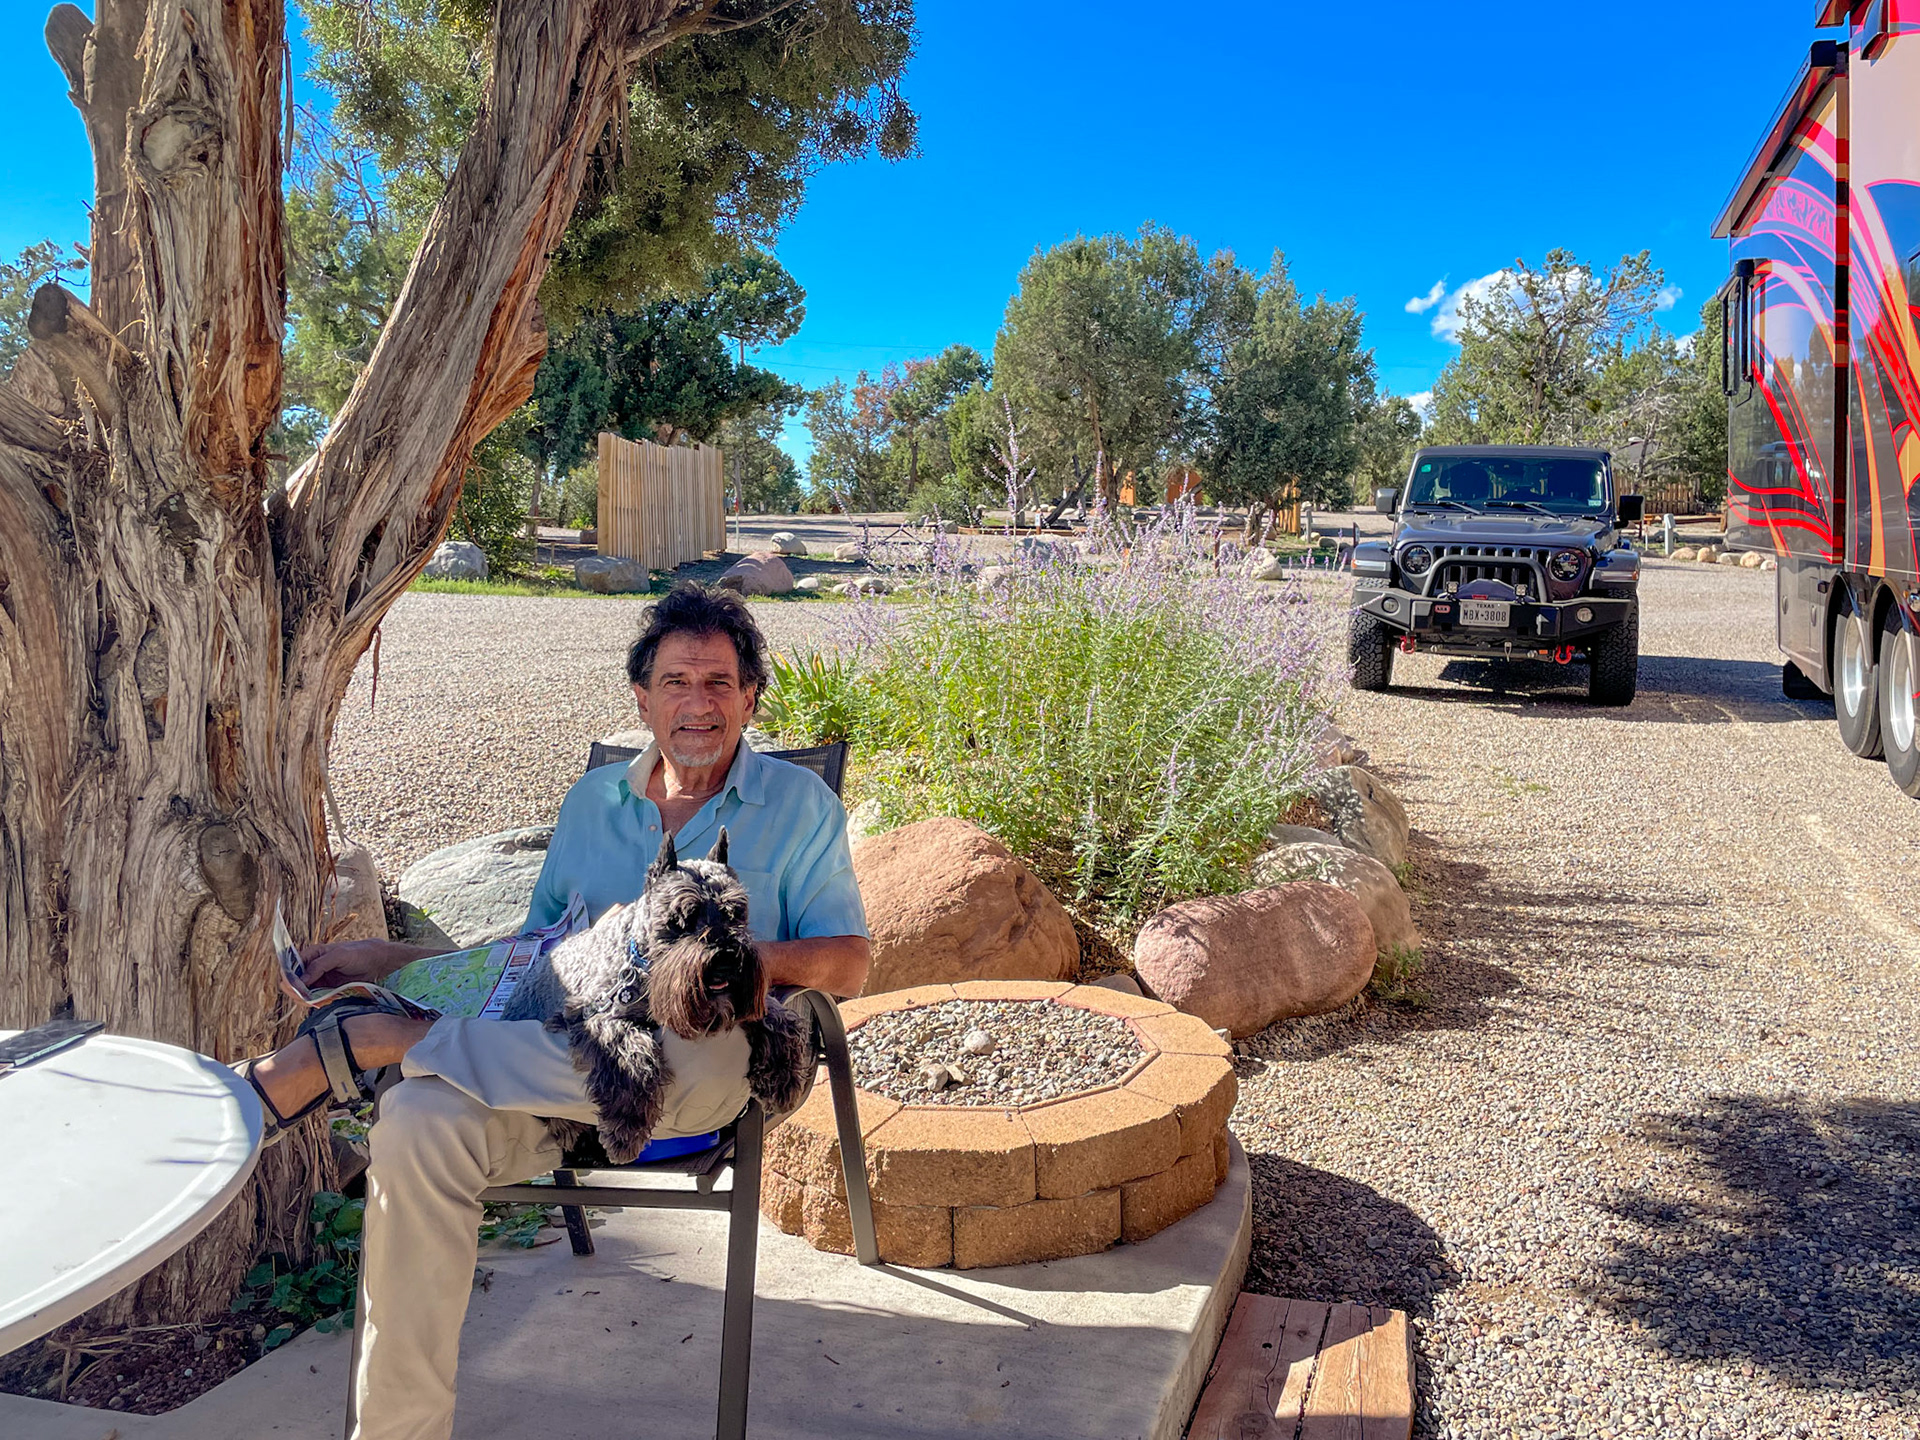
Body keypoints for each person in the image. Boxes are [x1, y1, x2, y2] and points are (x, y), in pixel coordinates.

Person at [235, 582, 870, 1440]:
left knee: (688, 1046)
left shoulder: (800, 808)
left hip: (703, 1069)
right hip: (554, 1069)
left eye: (720, 683)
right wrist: (393, 961)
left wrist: (708, 969)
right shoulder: (591, 806)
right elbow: (531, 960)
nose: (698, 703)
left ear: (751, 698)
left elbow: (851, 962)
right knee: (418, 1121)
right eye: (677, 681)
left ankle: (380, 1045)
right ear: (641, 698)